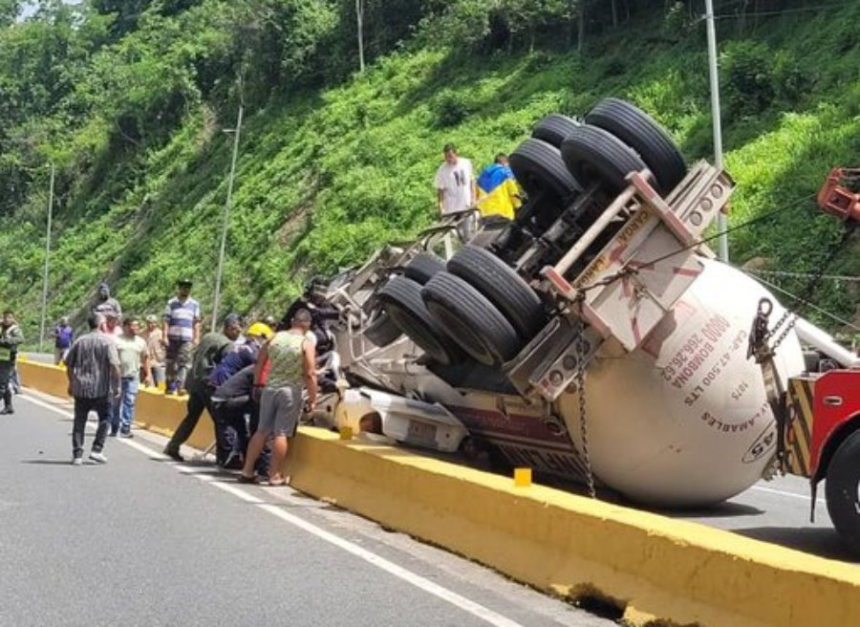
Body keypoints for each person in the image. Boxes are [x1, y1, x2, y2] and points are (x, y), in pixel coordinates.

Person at [239, 309, 318, 486]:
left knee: (262, 430)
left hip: (269, 388)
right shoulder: (305, 344)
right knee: (281, 432)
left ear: (292, 321)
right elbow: (310, 373)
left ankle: (247, 470)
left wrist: (257, 384)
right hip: (290, 391)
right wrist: (313, 399)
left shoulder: (275, 337)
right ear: (307, 325)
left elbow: (260, 361)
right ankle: (274, 475)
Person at [162, 313, 242, 462]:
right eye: (237, 330)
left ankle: (173, 445)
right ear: (230, 328)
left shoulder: (209, 336)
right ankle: (224, 457)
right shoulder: (227, 345)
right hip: (208, 385)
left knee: (191, 417)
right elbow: (227, 368)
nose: (239, 333)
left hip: (195, 381)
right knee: (221, 420)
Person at [64, 313, 121, 465]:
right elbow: (114, 365)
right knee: (105, 418)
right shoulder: (107, 342)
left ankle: (77, 454)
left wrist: (71, 382)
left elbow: (68, 364)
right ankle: (97, 450)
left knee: (79, 421)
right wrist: (117, 385)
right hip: (101, 389)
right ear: (102, 325)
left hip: (81, 388)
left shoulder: (79, 341)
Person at [210, 365, 270, 474]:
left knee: (244, 432)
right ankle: (262, 465)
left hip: (219, 401)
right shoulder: (259, 371)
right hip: (226, 402)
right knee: (258, 413)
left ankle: (246, 462)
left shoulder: (253, 368)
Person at [113, 315, 152, 438]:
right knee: (116, 402)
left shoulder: (141, 342)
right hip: (117, 377)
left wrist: (148, 375)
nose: (135, 328)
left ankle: (126, 427)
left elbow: (146, 359)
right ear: (125, 327)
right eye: (132, 325)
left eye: (137, 326)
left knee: (129, 402)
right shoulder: (116, 340)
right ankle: (114, 426)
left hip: (133, 376)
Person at [162, 278, 202, 394]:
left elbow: (196, 323)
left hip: (186, 338)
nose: (186, 289)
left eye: (188, 287)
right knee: (170, 362)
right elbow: (165, 320)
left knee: (184, 362)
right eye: (183, 287)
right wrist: (164, 336)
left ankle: (181, 387)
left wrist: (196, 337)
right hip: (172, 337)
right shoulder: (171, 303)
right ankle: (169, 386)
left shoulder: (195, 305)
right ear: (179, 288)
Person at [476, 153, 522, 220]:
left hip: (485, 214)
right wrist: (518, 206)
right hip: (503, 213)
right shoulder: (505, 173)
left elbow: (476, 194)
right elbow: (513, 193)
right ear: (505, 162)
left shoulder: (482, 176)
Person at [435, 143, 476, 216]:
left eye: (450, 156)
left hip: (466, 204)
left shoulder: (466, 163)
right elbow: (440, 191)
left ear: (455, 154)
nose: (448, 159)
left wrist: (473, 199)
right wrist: (441, 208)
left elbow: (472, 182)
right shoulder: (442, 170)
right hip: (451, 209)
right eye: (446, 157)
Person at [0, 310, 24, 414]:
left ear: (13, 318)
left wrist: (5, 342)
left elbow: (20, 339)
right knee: (4, 384)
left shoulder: (15, 329)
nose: (6, 319)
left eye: (9, 317)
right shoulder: (1, 327)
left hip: (8, 360)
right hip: (1, 358)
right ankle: (8, 406)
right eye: (5, 317)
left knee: (2, 384)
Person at [141, 314, 166, 388]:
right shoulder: (142, 333)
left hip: (159, 362)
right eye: (149, 322)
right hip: (146, 363)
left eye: (153, 322)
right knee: (148, 385)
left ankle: (162, 398)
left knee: (161, 384)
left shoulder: (161, 334)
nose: (151, 324)